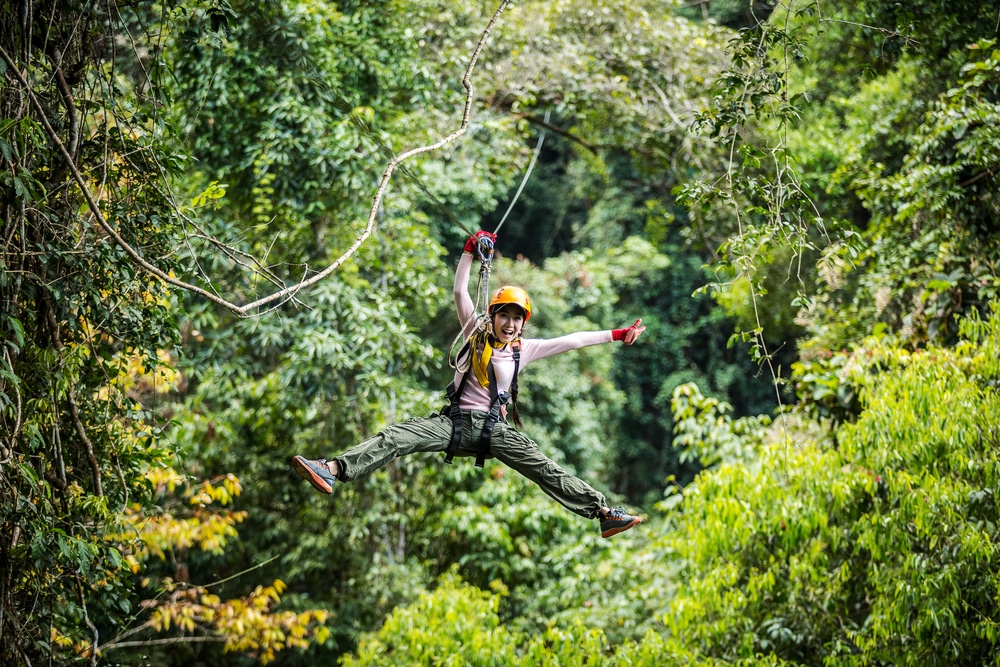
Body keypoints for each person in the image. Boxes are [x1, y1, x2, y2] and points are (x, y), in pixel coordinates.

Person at [291, 230, 646, 538]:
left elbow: (574, 339)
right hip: (454, 423)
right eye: (504, 315)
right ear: (492, 316)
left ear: (524, 324)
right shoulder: (473, 332)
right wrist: (468, 250)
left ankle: (603, 514)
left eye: (516, 318)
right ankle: (333, 469)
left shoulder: (525, 349)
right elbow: (461, 290)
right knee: (396, 437)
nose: (509, 323)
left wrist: (618, 334)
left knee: (544, 468)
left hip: (496, 430)